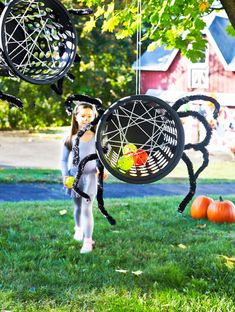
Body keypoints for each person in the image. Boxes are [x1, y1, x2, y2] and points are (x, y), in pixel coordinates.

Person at [61, 101, 100, 254]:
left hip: (90, 178)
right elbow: (63, 160)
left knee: (87, 208)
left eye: (89, 116)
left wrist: (102, 169)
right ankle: (78, 228)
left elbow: (105, 157)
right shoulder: (70, 138)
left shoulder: (97, 138)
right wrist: (65, 177)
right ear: (76, 117)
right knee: (77, 206)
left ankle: (88, 241)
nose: (86, 119)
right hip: (74, 178)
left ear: (94, 117)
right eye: (83, 116)